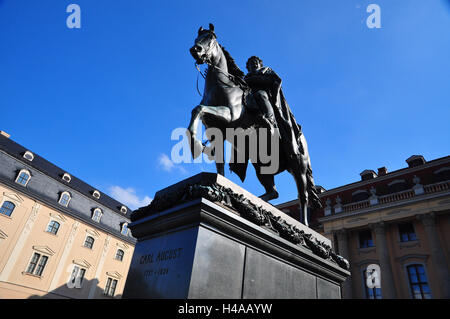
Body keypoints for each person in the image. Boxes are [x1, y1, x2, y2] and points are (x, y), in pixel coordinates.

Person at [244, 56, 280, 134]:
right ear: (248, 67)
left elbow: (274, 81)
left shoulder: (266, 71)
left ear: (260, 65)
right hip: (249, 95)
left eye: (256, 62)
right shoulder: (246, 77)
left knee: (260, 95)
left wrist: (254, 79)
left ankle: (270, 120)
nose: (254, 64)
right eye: (252, 63)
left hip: (264, 93)